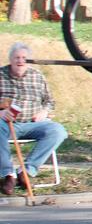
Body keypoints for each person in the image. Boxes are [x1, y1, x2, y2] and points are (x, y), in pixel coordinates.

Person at [0, 43, 68, 195]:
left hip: (33, 124)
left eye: (24, 58)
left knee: (58, 131)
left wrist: (44, 111)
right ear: (10, 59)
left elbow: (50, 101)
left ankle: (26, 171)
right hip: (7, 124)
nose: (20, 61)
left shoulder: (37, 77)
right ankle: (8, 175)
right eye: (17, 57)